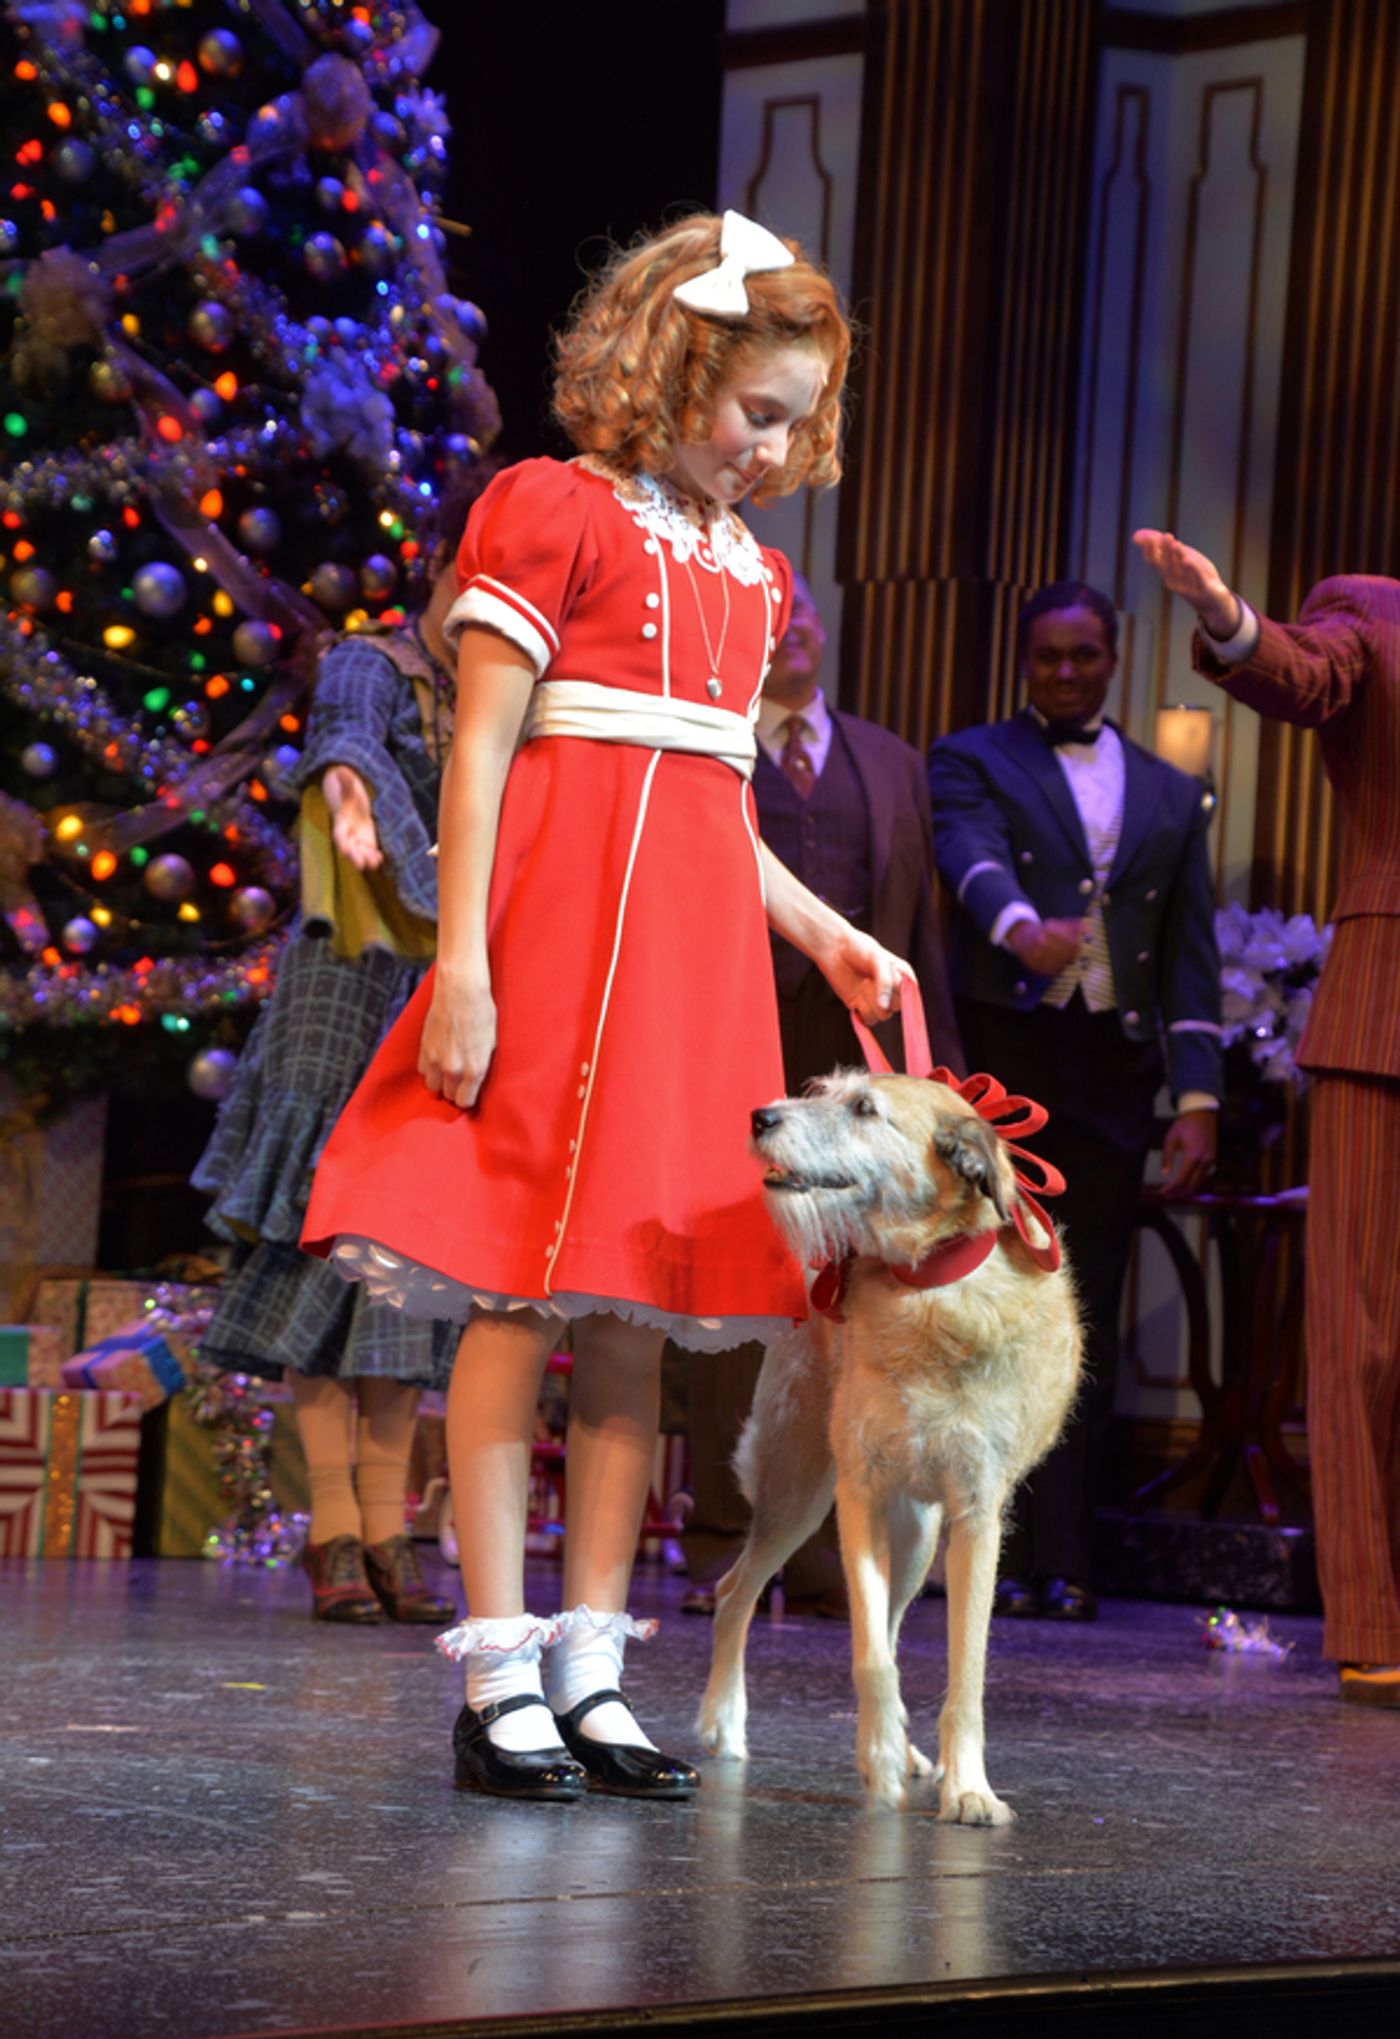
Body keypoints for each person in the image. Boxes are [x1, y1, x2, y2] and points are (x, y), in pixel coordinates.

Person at [302, 211, 913, 1800]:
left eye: (797, 423)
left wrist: (830, 932)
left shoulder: (753, 579)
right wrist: (464, 961)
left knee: (635, 1311)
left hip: (688, 982)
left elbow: (720, 807)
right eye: (752, 410)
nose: (771, 449)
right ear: (674, 365)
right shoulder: (551, 509)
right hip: (553, 954)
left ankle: (593, 1659)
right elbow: (486, 753)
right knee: (519, 1289)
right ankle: (497, 1665)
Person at [192, 494, 479, 1627]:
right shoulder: (376, 658)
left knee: (405, 1262)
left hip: (441, 994)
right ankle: (331, 1531)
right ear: (444, 564)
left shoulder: (504, 693)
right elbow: (345, 731)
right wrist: (351, 793)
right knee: (319, 1242)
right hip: (344, 981)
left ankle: (390, 1529)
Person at [1134, 527, 1400, 1707]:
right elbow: (1301, 670)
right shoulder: (1372, 612)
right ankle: (1376, 1625)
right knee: (1363, 1339)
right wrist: (1228, 620)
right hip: (1383, 1021)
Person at [929, 580, 1222, 1621]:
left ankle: (1066, 1559)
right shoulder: (970, 757)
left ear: (1110, 658)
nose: (1063, 672)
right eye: (1046, 656)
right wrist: (1016, 925)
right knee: (992, 1307)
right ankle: (989, 1557)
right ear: (1024, 660)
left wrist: (1195, 1098)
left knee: (1079, 1310)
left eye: (1081, 656)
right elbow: (962, 852)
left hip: (1113, 1072)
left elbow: (1189, 953)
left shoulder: (1167, 792)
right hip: (1005, 1065)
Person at [681, 570, 962, 1616]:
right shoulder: (711, 750)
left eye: (804, 617)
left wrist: (933, 1087)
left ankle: (836, 1537)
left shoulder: (890, 761)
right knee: (742, 1275)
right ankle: (725, 1527)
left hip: (858, 1080)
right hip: (735, 1047)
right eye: (776, 618)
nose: (792, 630)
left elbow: (918, 932)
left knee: (857, 1294)